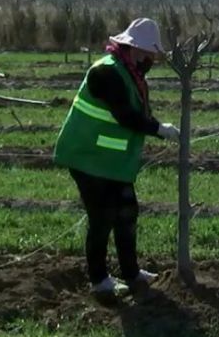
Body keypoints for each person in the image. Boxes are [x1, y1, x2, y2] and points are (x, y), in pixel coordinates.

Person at [53, 18, 180, 296]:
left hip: (109, 161)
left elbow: (138, 112)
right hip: (86, 156)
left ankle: (131, 272)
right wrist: (159, 129)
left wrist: (158, 126)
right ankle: (99, 280)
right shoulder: (106, 73)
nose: (151, 61)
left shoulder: (130, 73)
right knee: (102, 216)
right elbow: (125, 116)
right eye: (149, 55)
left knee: (127, 211)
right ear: (134, 49)